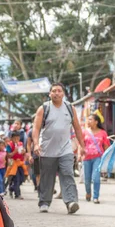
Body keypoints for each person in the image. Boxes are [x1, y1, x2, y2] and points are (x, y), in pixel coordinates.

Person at [32, 83, 85, 214]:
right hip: (47, 150)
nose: (56, 93)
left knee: (68, 174)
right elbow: (36, 128)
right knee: (47, 177)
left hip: (65, 149)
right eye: (53, 91)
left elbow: (77, 128)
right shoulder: (44, 108)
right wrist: (36, 144)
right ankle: (44, 202)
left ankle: (71, 202)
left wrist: (82, 146)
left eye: (59, 91)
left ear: (63, 94)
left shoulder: (69, 107)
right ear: (50, 94)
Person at [81, 113, 110, 203]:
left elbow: (106, 146)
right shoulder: (85, 132)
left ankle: (96, 196)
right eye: (88, 119)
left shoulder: (103, 133)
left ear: (96, 122)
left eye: (90, 119)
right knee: (87, 179)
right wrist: (79, 154)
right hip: (86, 158)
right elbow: (81, 144)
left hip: (98, 157)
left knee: (96, 177)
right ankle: (88, 192)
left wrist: (107, 158)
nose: (88, 121)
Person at [6, 132, 27, 199]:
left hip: (20, 163)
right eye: (15, 138)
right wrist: (14, 152)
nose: (16, 140)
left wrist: (24, 152)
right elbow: (8, 155)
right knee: (17, 179)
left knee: (22, 178)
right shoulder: (9, 145)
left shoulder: (20, 144)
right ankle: (17, 194)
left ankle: (12, 188)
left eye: (18, 138)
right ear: (11, 138)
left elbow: (23, 154)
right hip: (13, 164)